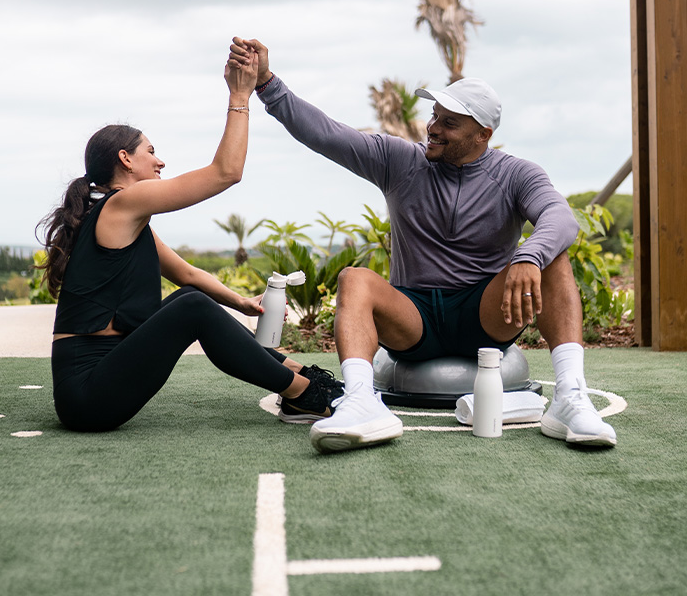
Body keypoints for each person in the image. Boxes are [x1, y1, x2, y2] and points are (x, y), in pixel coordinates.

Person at [228, 36, 618, 453]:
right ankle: (361, 402)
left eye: (450, 123)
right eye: (434, 116)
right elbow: (325, 134)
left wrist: (528, 255)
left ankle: (570, 398)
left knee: (552, 258)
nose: (433, 127)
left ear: (482, 134)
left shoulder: (517, 174)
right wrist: (266, 81)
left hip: (485, 317)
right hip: (413, 317)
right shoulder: (400, 160)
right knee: (354, 278)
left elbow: (561, 218)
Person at [37, 51, 341, 433]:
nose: (160, 161)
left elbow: (188, 275)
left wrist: (243, 303)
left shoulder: (125, 220)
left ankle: (301, 375)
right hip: (88, 395)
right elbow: (225, 173)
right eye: (151, 152)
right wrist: (240, 97)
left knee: (187, 298)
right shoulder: (122, 203)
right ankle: (304, 394)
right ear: (124, 160)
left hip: (102, 381)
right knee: (193, 307)